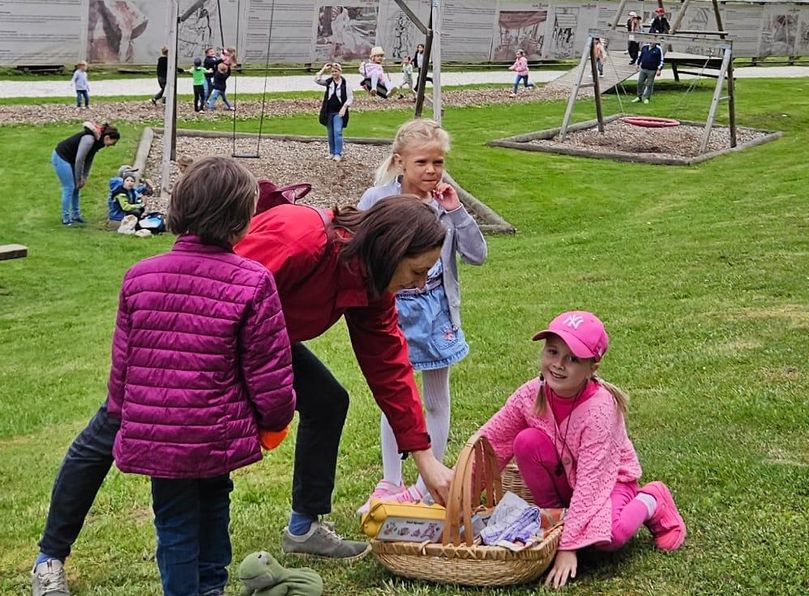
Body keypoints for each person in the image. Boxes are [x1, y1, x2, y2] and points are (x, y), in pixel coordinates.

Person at [30, 196, 452, 594]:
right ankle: (50, 556)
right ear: (390, 248)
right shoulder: (301, 238)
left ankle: (303, 527)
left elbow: (389, 367)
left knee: (326, 400)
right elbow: (217, 291)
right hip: (189, 336)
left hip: (262, 343)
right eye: (417, 271)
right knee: (113, 423)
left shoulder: (371, 280)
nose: (418, 283)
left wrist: (424, 458)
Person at [104, 157, 296, 596]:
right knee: (213, 507)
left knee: (172, 522)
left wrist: (121, 415)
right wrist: (275, 417)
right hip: (215, 433)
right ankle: (210, 588)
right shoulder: (253, 281)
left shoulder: (139, 277)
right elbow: (268, 370)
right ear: (242, 217)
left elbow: (123, 364)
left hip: (158, 434)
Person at [478, 311, 686, 588]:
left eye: (572, 358)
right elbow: (491, 440)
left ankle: (652, 499)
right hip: (569, 481)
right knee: (527, 441)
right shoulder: (531, 393)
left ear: (593, 367)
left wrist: (568, 547)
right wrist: (453, 488)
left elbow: (592, 482)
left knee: (611, 536)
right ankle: (556, 518)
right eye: (552, 352)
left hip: (609, 481)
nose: (558, 364)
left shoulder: (600, 410)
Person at [357, 120, 487, 507]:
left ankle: (427, 481)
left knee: (434, 397)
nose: (431, 171)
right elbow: (358, 246)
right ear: (400, 162)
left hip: (436, 312)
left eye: (438, 162)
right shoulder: (377, 200)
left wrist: (457, 211)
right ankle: (391, 481)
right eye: (422, 162)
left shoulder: (445, 205)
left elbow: (477, 255)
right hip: (392, 306)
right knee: (396, 395)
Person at [51, 122, 120, 226]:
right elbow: (80, 159)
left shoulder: (98, 142)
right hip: (62, 157)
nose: (112, 145)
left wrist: (84, 177)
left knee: (76, 188)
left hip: (72, 159)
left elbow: (89, 158)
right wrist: (79, 178)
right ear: (107, 137)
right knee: (69, 187)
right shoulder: (89, 140)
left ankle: (76, 215)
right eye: (113, 143)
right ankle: (66, 219)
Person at [315, 62, 352, 162]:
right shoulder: (329, 82)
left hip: (338, 112)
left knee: (337, 131)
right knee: (330, 133)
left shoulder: (345, 85)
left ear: (340, 72)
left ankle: (338, 153)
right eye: (332, 72)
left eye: (336, 71)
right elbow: (317, 80)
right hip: (328, 111)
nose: (334, 74)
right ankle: (331, 152)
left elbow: (350, 98)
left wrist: (344, 107)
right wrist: (323, 69)